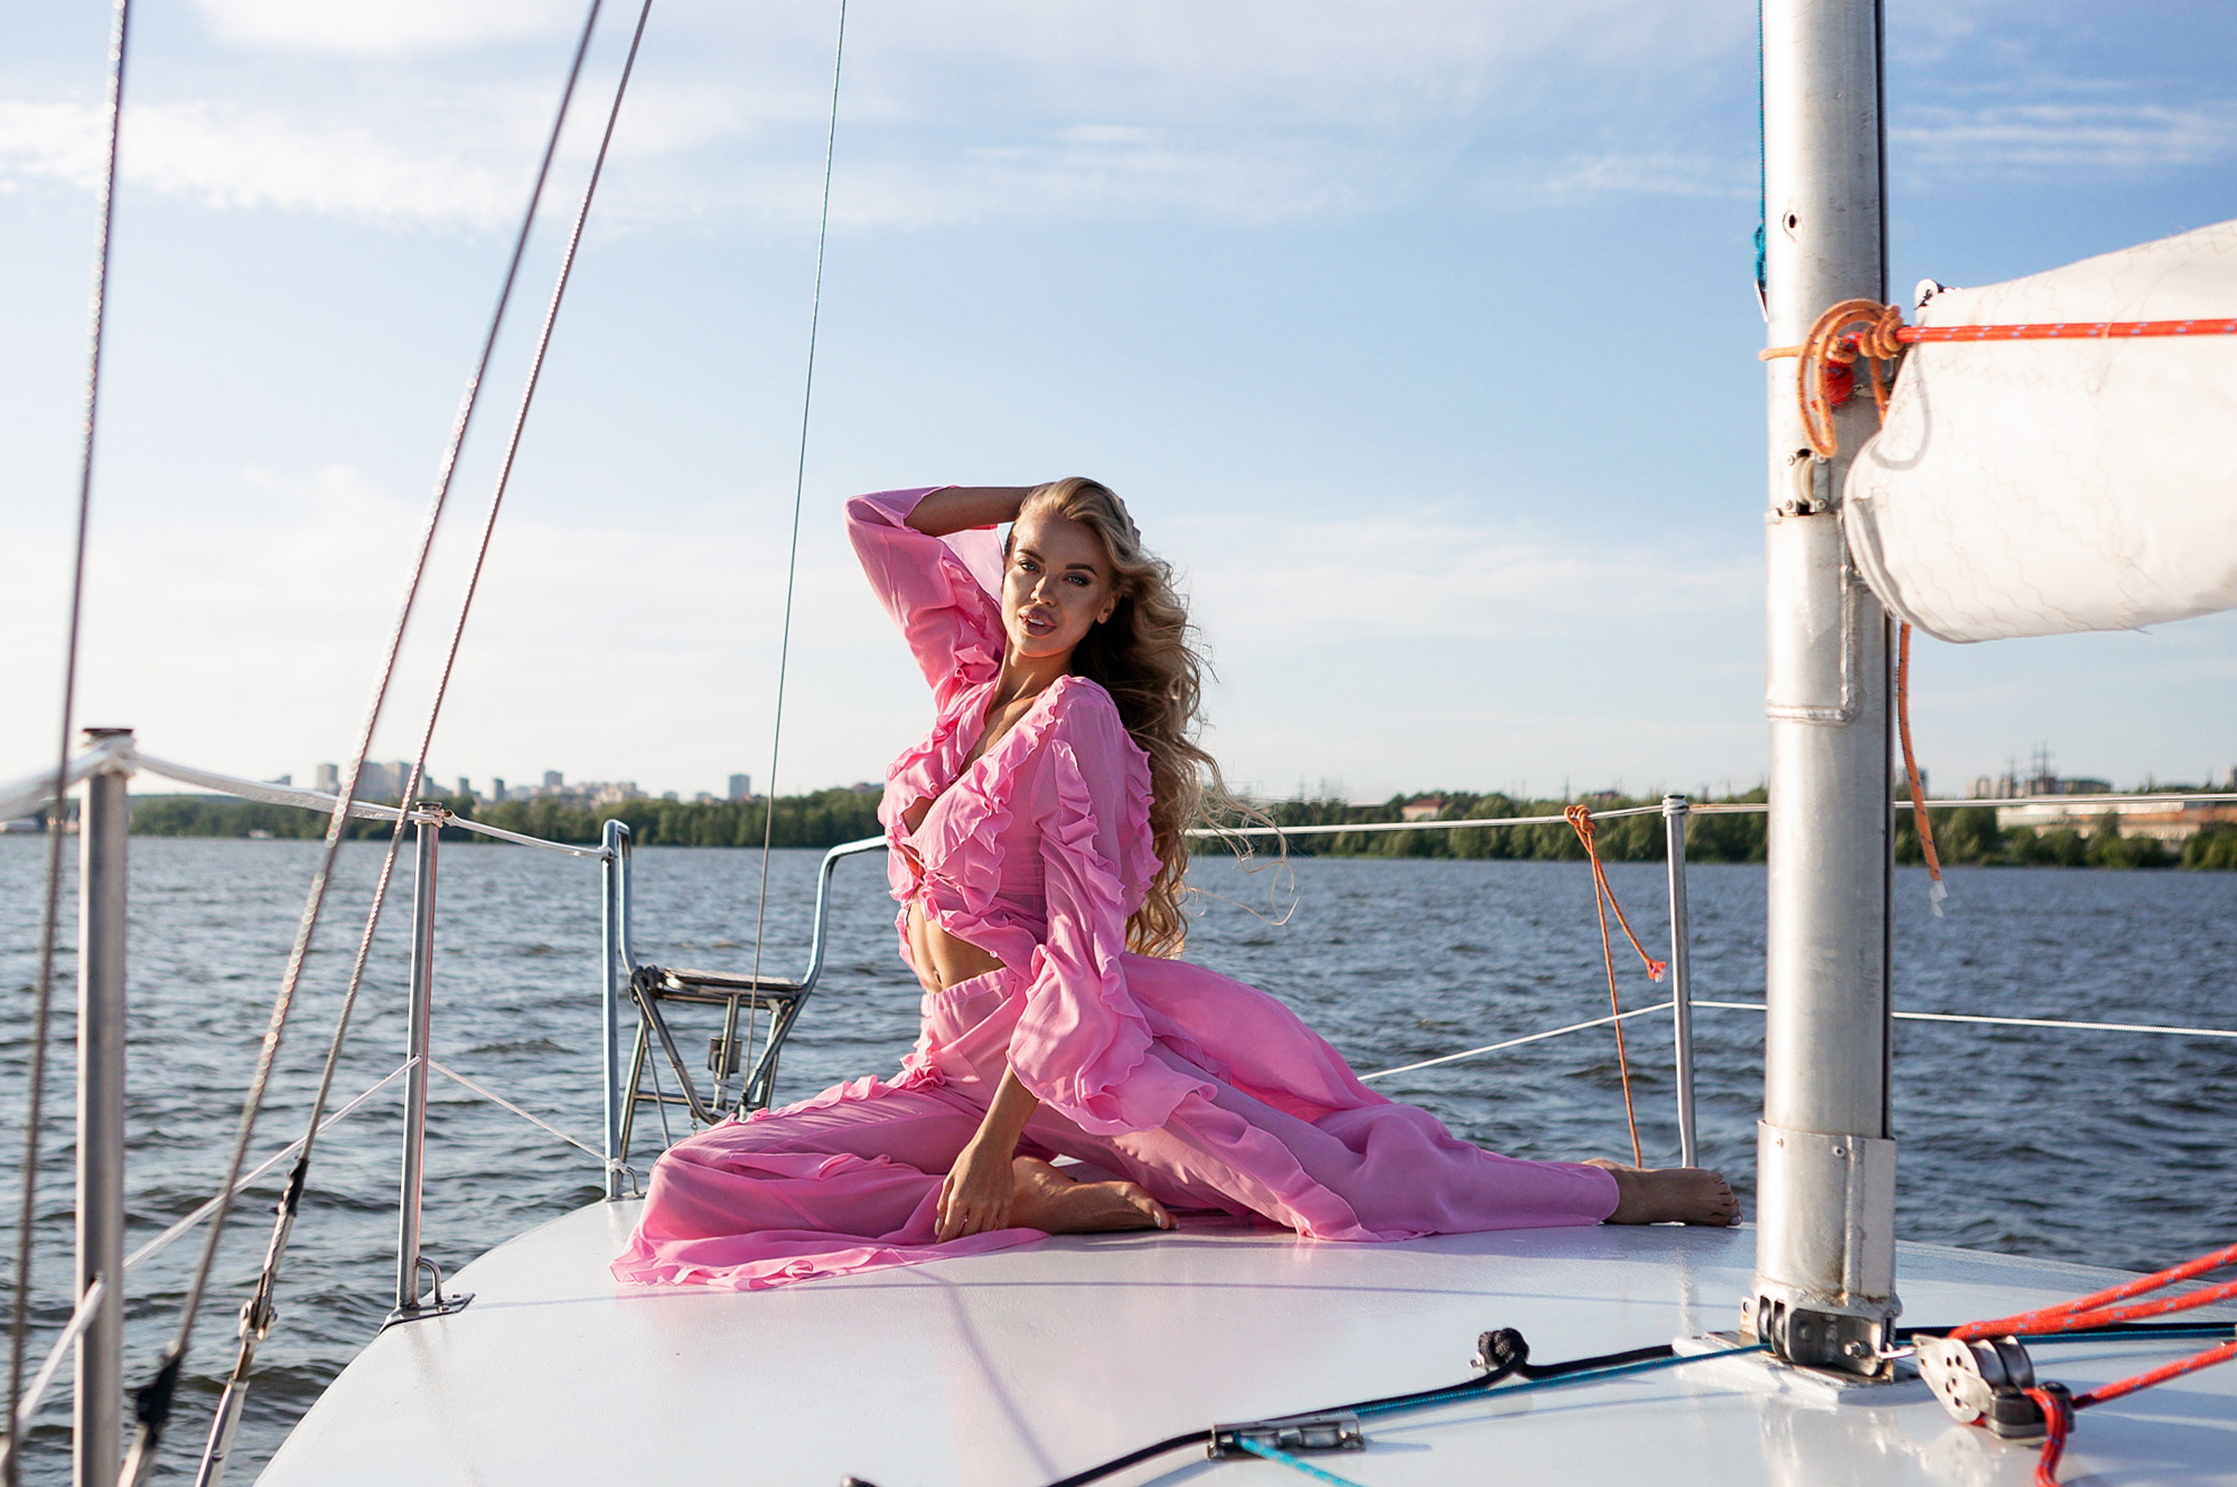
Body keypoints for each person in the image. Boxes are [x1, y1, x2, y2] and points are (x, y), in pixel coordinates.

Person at [610, 481, 1736, 1291]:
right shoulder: (965, 679)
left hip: (1068, 1064)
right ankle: (1036, 1202)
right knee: (692, 1178)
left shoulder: (1078, 718)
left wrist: (1001, 1137)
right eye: (1029, 566)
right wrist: (1038, 498)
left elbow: (1083, 957)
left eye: (1077, 577)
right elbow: (877, 519)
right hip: (949, 1057)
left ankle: (1635, 1190)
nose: (1043, 592)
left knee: (1360, 1188)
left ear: (1109, 603)